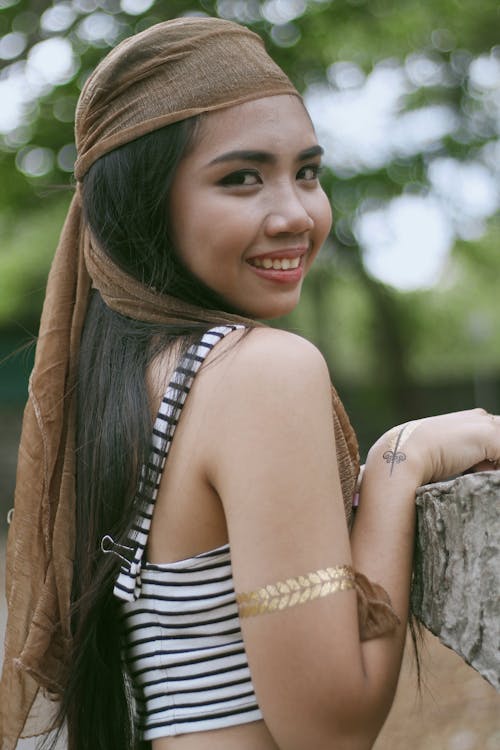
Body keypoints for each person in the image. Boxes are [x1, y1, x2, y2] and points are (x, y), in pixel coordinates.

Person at [1, 16, 499, 750]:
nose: (296, 214)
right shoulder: (259, 372)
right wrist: (399, 463)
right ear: (144, 200)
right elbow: (328, 727)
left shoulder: (122, 383)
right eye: (241, 178)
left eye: (307, 172)